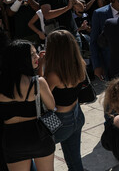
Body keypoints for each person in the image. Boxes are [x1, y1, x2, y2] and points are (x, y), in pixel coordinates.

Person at [0, 40, 55, 171]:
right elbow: (52, 106)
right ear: (20, 59)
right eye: (32, 54)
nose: (37, 57)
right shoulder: (38, 82)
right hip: (39, 136)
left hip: (12, 140)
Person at [40, 30, 87, 171]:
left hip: (59, 120)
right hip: (77, 115)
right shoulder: (80, 64)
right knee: (74, 159)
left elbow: (41, 93)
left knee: (39, 151)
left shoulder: (53, 74)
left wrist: (40, 67)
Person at [89, 0, 119, 80]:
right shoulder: (99, 14)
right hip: (109, 61)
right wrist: (97, 65)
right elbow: (94, 41)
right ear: (112, 0)